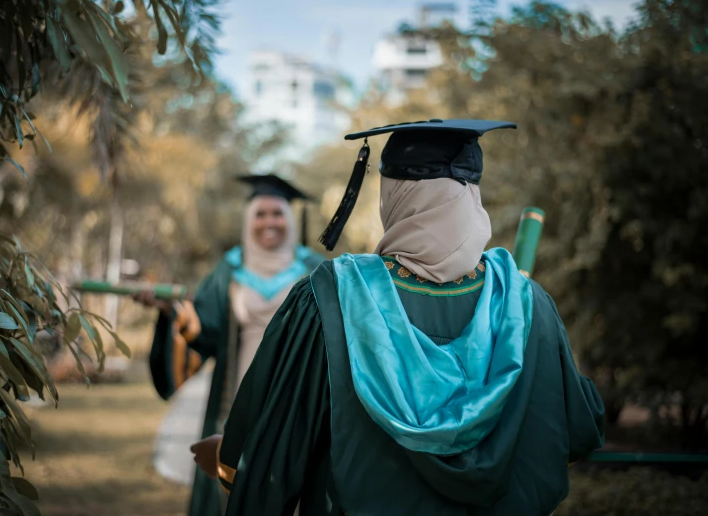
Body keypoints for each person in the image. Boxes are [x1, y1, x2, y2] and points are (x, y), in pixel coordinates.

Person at [192, 119, 606, 515]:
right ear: (469, 194)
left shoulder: (332, 297)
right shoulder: (526, 302)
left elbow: (278, 438)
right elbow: (576, 427)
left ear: (395, 198)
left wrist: (230, 457)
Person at [135, 174, 325, 516]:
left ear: (291, 220)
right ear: (248, 221)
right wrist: (169, 311)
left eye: (277, 214)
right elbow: (204, 329)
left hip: (298, 393)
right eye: (261, 214)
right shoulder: (231, 270)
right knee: (236, 479)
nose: (270, 222)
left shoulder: (315, 270)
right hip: (238, 394)